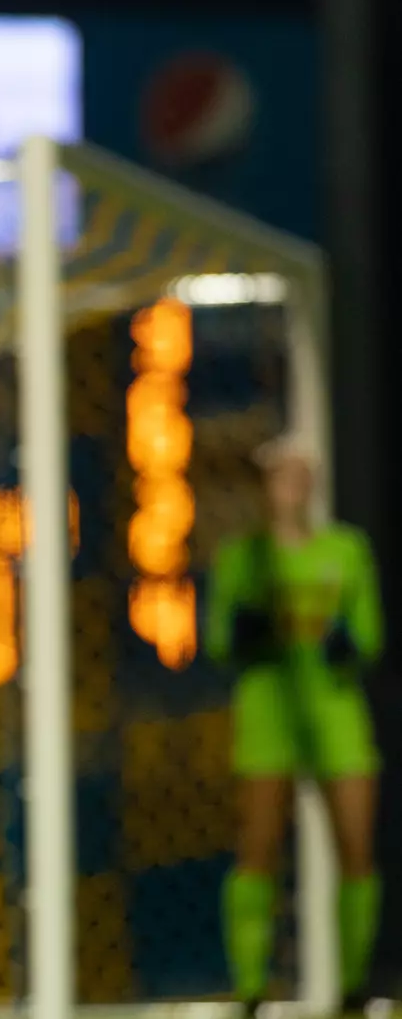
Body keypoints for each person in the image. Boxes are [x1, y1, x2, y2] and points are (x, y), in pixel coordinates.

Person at [204, 434, 384, 1016]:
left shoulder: (346, 551)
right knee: (256, 849)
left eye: (300, 474)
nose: (290, 486)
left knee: (356, 847)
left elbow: (370, 636)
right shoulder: (241, 558)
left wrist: (344, 643)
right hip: (268, 718)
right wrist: (247, 632)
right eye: (279, 474)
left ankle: (352, 986)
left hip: (336, 716)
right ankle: (251, 988)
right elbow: (217, 642)